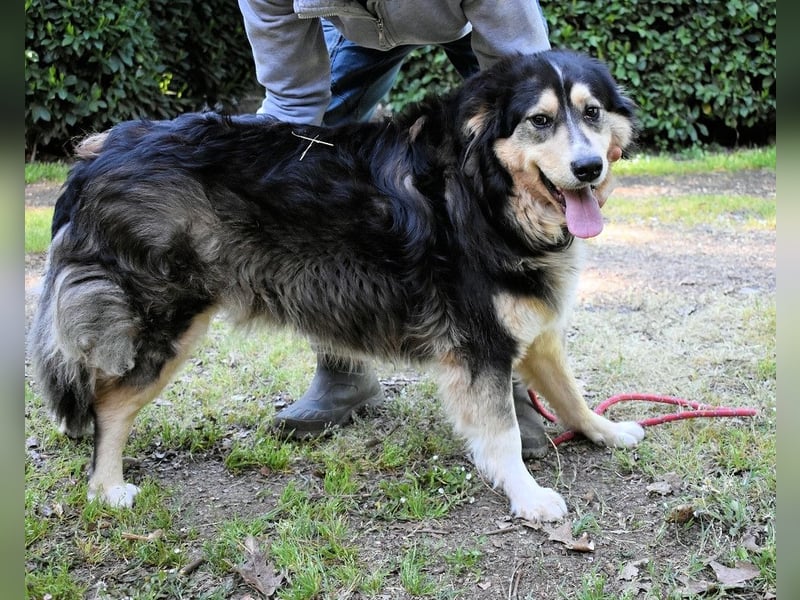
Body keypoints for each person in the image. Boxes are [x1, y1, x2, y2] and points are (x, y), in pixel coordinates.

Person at [237, 0, 556, 457]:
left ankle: (508, 385)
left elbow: (532, 79)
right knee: (312, 164)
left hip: (474, 20)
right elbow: (293, 102)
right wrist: (241, 176)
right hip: (357, 33)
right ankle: (343, 369)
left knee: (502, 158)